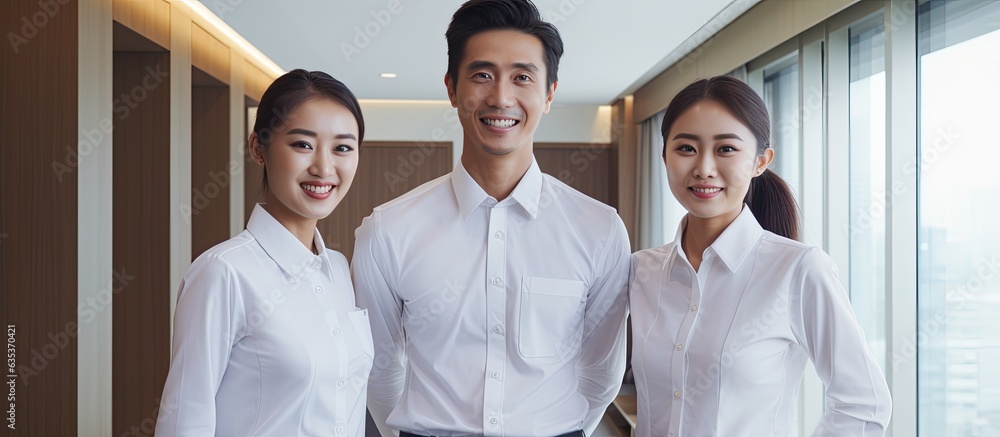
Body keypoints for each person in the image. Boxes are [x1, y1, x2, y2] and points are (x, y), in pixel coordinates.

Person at [352, 1, 630, 436]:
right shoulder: (387, 231)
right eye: (482, 75)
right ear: (451, 88)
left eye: (522, 77)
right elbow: (381, 370)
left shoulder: (600, 230)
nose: (501, 97)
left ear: (550, 93)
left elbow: (600, 373)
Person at [629, 75, 892, 436]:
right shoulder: (642, 270)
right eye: (686, 148)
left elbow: (864, 404)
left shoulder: (798, 269)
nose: (704, 168)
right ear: (665, 157)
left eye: (726, 149)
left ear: (760, 161)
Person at [155, 69, 373, 436]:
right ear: (258, 148)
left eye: (342, 148)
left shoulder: (338, 270)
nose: (323, 167)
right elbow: (184, 420)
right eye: (303, 144)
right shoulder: (223, 272)